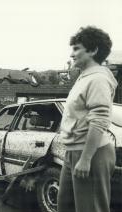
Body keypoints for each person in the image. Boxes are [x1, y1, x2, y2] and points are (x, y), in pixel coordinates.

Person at [58, 26, 118, 212]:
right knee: (65, 206)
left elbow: (99, 120)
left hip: (91, 152)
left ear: (93, 50)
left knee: (90, 209)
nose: (71, 54)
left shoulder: (98, 79)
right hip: (74, 151)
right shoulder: (84, 77)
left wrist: (85, 159)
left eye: (77, 48)